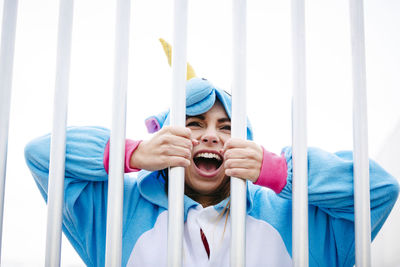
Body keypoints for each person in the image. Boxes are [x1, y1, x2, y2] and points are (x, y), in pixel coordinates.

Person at [25, 76, 399, 267]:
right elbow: (43, 154)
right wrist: (134, 153)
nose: (211, 136)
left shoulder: (293, 215)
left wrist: (281, 172)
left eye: (226, 127)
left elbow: (380, 189)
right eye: (194, 123)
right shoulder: (119, 213)